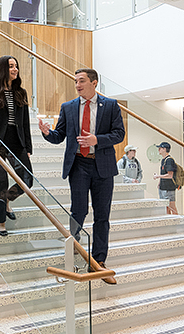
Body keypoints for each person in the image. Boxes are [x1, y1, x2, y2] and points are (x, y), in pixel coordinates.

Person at [38, 68, 123, 285]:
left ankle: (99, 261)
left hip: (102, 166)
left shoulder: (111, 105)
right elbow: (59, 136)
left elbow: (119, 134)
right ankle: (74, 249)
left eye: (82, 81)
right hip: (79, 165)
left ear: (94, 82)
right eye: (76, 81)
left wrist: (97, 140)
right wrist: (47, 133)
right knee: (78, 211)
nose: (77, 84)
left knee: (102, 215)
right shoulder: (68, 107)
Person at [0, 55, 33, 236]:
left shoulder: (21, 92)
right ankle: (1, 222)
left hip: (17, 142)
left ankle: (7, 200)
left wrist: (28, 147)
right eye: (11, 66)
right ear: (3, 68)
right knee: (1, 181)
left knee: (28, 179)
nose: (15, 69)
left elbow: (24, 122)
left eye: (16, 66)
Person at [153, 142, 178, 215]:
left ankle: (176, 222)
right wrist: (159, 183)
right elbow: (163, 173)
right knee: (165, 207)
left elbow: (170, 175)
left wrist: (158, 176)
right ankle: (169, 223)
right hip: (163, 187)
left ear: (164, 149)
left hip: (169, 188)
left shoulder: (169, 160)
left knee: (172, 206)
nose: (159, 150)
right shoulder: (163, 160)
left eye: (160, 148)